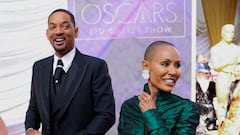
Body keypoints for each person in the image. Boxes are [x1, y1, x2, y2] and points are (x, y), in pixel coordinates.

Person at [24, 9, 115, 135]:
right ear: (47, 34)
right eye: (52, 27)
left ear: (76, 31)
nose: (58, 31)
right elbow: (34, 108)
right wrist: (30, 129)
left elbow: (106, 115)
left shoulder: (95, 67)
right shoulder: (39, 68)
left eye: (65, 26)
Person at [118, 41, 200, 135]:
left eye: (177, 65)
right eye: (165, 64)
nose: (173, 72)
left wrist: (151, 114)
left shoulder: (186, 109)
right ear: (146, 66)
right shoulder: (129, 106)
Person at [210, 24, 240, 134]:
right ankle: (222, 129)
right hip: (223, 77)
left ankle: (234, 129)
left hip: (235, 77)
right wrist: (228, 60)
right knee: (222, 103)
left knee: (236, 103)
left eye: (232, 32)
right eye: (228, 32)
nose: (230, 34)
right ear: (222, 33)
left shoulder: (237, 49)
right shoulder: (216, 48)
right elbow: (215, 65)